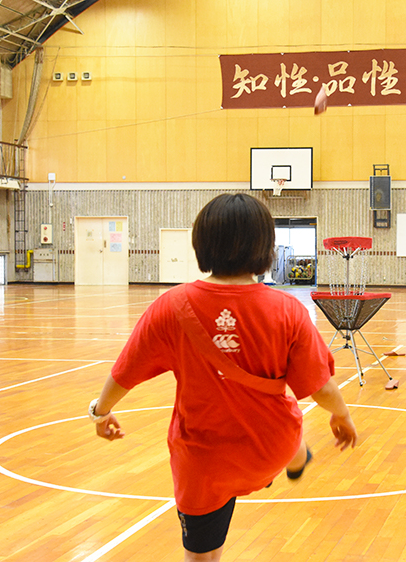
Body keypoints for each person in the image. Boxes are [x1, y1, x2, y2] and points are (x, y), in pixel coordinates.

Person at [88, 193, 358, 562]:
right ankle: (296, 459)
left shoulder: (170, 307)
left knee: (202, 556)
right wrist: (341, 415)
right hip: (268, 449)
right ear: (266, 248)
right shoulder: (288, 311)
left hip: (203, 462)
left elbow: (125, 373)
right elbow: (321, 388)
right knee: (287, 424)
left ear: (201, 244)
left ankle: (294, 456)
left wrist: (101, 412)